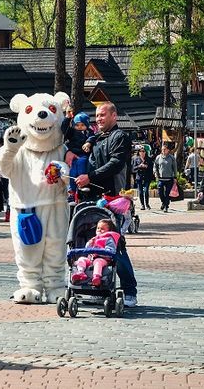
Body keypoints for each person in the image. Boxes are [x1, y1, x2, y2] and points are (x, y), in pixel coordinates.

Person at [75, 102, 138, 308]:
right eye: (97, 116)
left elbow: (116, 164)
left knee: (115, 247)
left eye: (103, 115)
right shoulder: (97, 138)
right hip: (95, 199)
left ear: (114, 116)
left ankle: (130, 291)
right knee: (95, 245)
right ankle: (99, 286)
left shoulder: (120, 137)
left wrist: (90, 176)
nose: (99, 119)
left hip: (114, 200)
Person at [70, 219, 120, 287]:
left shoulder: (109, 239)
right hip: (91, 259)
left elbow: (111, 251)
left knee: (97, 261)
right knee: (81, 259)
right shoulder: (95, 238)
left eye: (102, 229)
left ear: (109, 231)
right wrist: (89, 243)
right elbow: (87, 249)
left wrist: (99, 251)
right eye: (98, 228)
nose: (99, 230)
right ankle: (80, 272)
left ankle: (96, 276)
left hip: (103, 260)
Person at [153, 143, 177, 212]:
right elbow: (155, 166)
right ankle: (163, 202)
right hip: (161, 178)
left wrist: (175, 177)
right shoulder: (158, 157)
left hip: (169, 178)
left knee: (167, 193)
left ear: (168, 150)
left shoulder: (171, 158)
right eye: (162, 149)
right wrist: (155, 173)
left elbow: (174, 168)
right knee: (160, 191)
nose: (163, 151)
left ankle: (166, 206)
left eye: (164, 149)